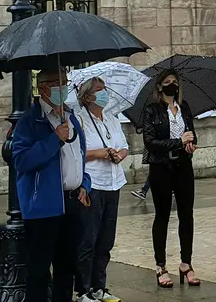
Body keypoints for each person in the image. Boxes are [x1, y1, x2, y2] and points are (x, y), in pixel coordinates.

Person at [11, 67, 92, 302]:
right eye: (58, 83)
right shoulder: (30, 121)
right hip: (43, 207)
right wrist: (53, 138)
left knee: (66, 269)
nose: (63, 87)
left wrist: (84, 183)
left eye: (66, 82)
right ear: (43, 87)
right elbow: (22, 161)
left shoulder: (71, 116)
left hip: (72, 202)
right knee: (38, 271)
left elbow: (79, 156)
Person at [141, 70, 200, 287]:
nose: (171, 86)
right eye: (167, 83)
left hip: (183, 165)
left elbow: (192, 133)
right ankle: (160, 266)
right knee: (162, 216)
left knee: (187, 215)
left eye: (175, 82)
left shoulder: (184, 108)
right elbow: (150, 142)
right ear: (159, 87)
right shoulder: (152, 110)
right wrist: (177, 141)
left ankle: (186, 263)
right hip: (161, 168)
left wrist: (192, 143)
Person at [74, 77, 129, 302]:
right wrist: (98, 154)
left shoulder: (112, 119)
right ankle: (83, 290)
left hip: (113, 182)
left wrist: (118, 155)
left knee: (106, 240)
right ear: (87, 96)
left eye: (104, 89)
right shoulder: (79, 120)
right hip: (92, 183)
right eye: (99, 90)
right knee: (89, 238)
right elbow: (74, 152)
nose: (104, 93)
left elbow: (124, 146)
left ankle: (100, 286)